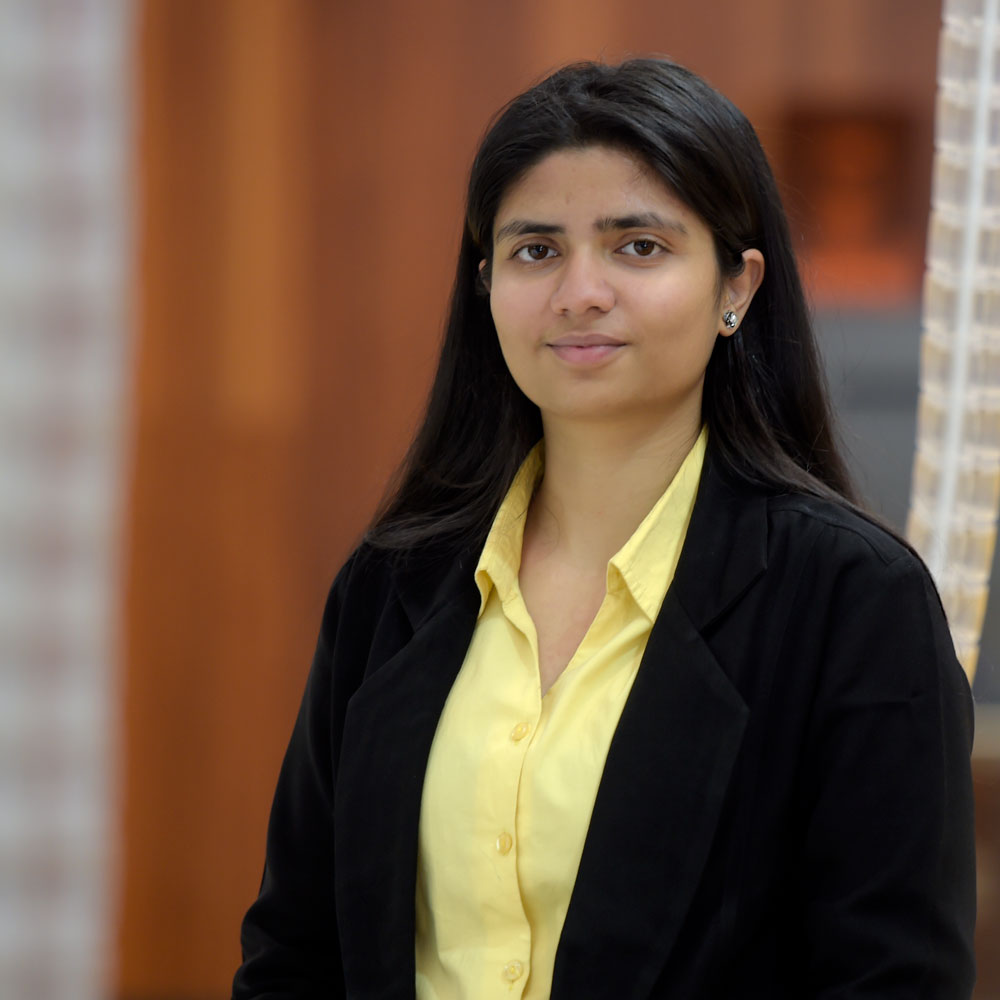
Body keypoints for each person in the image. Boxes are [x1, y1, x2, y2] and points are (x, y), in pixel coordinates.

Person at [232, 58, 976, 999]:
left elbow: (891, 980)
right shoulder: (392, 584)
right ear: (485, 284)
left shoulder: (852, 599)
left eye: (639, 246)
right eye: (536, 251)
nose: (580, 291)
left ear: (737, 286)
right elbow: (295, 954)